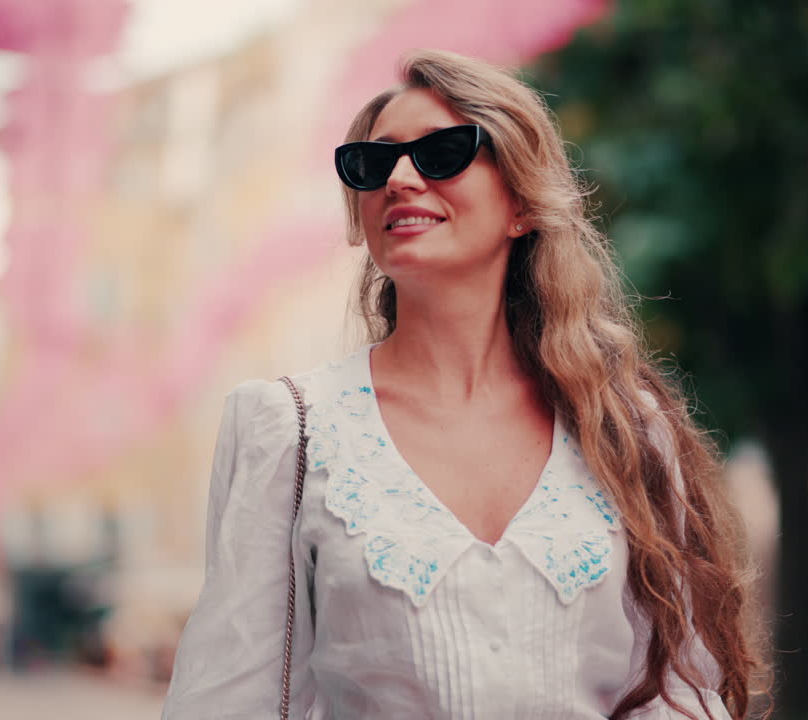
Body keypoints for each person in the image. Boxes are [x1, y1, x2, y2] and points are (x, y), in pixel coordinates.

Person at [163, 50, 764, 719]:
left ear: (521, 205)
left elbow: (682, 692)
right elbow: (227, 701)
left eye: (444, 151)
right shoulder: (289, 427)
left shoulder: (623, 425)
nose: (399, 178)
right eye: (373, 162)